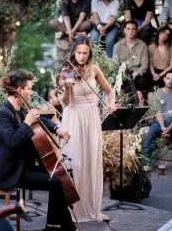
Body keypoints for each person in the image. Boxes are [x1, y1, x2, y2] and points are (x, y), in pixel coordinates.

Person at [0, 69, 75, 231]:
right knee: (56, 182)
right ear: (19, 91)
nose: (31, 92)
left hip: (24, 166)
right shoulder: (3, 113)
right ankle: (62, 227)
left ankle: (56, 225)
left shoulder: (21, 109)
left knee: (58, 177)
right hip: (12, 171)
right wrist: (26, 124)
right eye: (28, 89)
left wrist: (58, 128)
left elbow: (41, 119)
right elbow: (12, 141)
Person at [59, 36, 116, 222]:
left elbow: (109, 91)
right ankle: (75, 209)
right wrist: (67, 88)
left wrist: (111, 103)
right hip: (74, 116)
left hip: (91, 117)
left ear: (89, 53)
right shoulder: (66, 71)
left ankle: (93, 208)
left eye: (85, 53)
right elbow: (65, 103)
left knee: (92, 161)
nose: (82, 56)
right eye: (79, 53)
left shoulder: (94, 69)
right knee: (76, 163)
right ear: (73, 52)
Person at [142, 72, 172, 175]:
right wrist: (162, 127)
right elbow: (158, 113)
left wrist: (169, 128)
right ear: (164, 79)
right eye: (168, 78)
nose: (170, 81)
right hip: (161, 121)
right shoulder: (158, 93)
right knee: (148, 133)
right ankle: (146, 162)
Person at [113, 20, 150, 99]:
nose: (131, 31)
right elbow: (115, 64)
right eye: (128, 29)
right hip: (122, 73)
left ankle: (141, 104)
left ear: (136, 30)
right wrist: (122, 74)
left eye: (133, 29)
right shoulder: (118, 45)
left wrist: (135, 74)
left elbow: (145, 65)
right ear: (124, 30)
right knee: (117, 83)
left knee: (142, 82)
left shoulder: (143, 45)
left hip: (136, 73)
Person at [148, 25, 172, 97]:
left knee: (163, 85)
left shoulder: (171, 48)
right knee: (150, 87)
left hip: (166, 71)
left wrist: (160, 75)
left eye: (167, 35)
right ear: (159, 32)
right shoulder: (151, 46)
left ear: (169, 37)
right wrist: (154, 73)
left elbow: (171, 65)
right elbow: (150, 63)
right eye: (163, 32)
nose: (164, 35)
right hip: (153, 72)